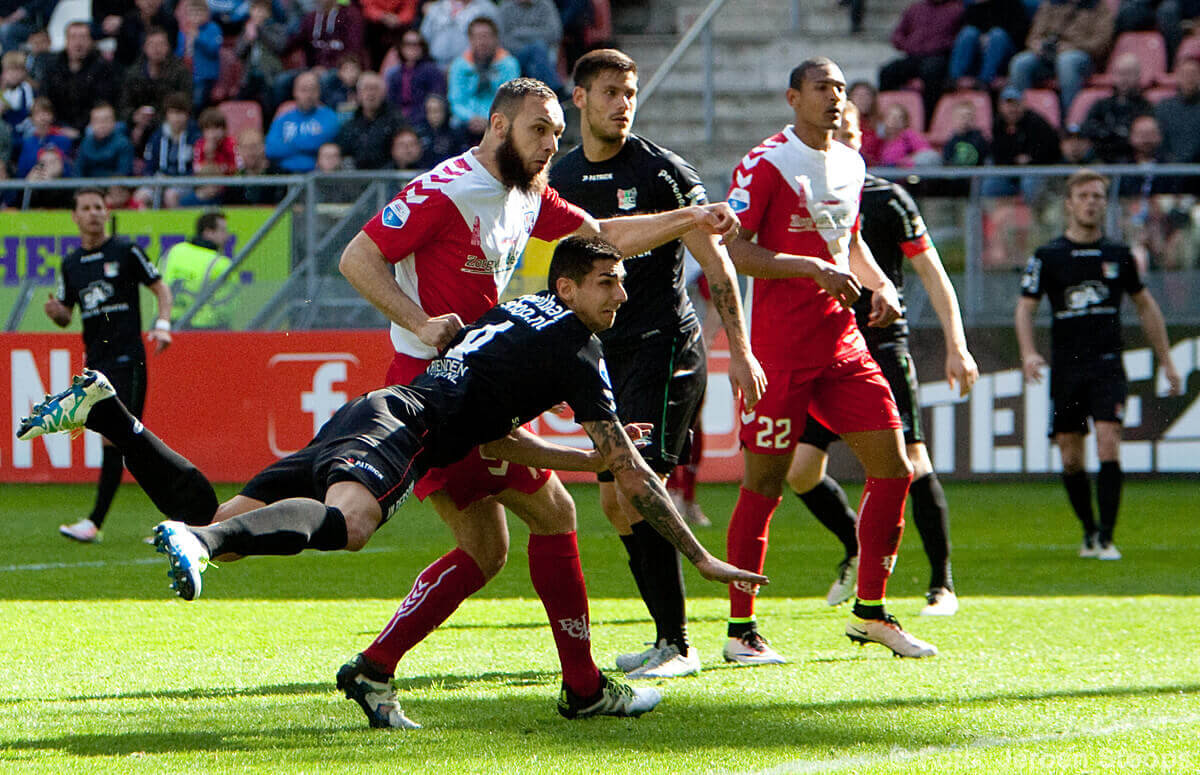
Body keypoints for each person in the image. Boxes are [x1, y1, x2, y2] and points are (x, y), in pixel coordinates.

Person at [18, 236, 767, 728]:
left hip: (379, 409)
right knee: (351, 522)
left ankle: (115, 419)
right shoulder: (577, 347)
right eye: (609, 283)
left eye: (622, 283)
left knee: (509, 525)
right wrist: (699, 558)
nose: (622, 296)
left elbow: (506, 431)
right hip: (402, 429)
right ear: (569, 286)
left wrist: (589, 458)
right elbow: (630, 466)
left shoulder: (526, 311)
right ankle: (575, 685)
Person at [337, 76, 747, 717]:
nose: (552, 143)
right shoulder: (449, 187)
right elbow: (357, 257)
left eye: (558, 132)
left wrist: (690, 219)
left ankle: (374, 666)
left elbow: (600, 238)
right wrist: (419, 321)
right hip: (436, 392)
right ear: (498, 126)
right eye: (539, 130)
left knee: (489, 548)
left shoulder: (527, 193)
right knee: (545, 520)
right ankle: (579, 688)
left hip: (472, 386)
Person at [549, 48, 766, 680]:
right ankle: (664, 637)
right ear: (581, 99)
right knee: (615, 503)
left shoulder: (664, 171)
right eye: (611, 91)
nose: (623, 102)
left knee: (640, 490)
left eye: (631, 92)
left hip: (664, 347)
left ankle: (678, 645)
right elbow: (590, 248)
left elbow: (716, 261)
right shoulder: (559, 176)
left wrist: (741, 349)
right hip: (605, 353)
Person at [722, 56, 937, 662]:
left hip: (843, 344)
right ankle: (741, 631)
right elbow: (734, 250)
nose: (835, 98)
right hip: (780, 352)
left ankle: (870, 612)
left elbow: (850, 239)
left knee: (894, 468)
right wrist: (807, 268)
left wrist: (879, 284)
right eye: (823, 88)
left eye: (841, 89)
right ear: (794, 98)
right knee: (764, 487)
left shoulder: (850, 161)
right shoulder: (766, 162)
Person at [787, 101, 979, 619]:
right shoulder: (801, 195)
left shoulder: (885, 198)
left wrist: (957, 345)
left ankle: (942, 584)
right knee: (800, 472)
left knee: (912, 463)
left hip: (879, 345)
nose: (840, 138)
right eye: (833, 130)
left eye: (848, 131)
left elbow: (933, 274)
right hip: (824, 347)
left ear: (860, 138)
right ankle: (856, 547)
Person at [1016, 170, 1183, 559]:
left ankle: (1106, 537)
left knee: (1109, 442)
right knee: (1071, 455)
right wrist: (1028, 353)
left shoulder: (1119, 255)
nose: (1092, 202)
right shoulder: (1048, 256)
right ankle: (1089, 531)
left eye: (1098, 196)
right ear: (1069, 204)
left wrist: (1167, 361)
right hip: (1067, 368)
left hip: (1107, 365)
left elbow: (1145, 306)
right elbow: (1025, 309)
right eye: (1084, 196)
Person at [40, 188, 173, 543]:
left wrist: (163, 324)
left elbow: (160, 288)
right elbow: (67, 314)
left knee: (125, 442)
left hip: (128, 359)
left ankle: (98, 523)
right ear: (75, 217)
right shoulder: (70, 265)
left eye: (99, 207)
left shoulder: (125, 251)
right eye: (85, 208)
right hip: (97, 365)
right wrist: (57, 314)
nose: (94, 213)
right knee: (125, 443)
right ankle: (173, 519)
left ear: (106, 211)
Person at [1006, 0, 1114, 122]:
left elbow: (1101, 43)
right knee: (1020, 63)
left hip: (1082, 57)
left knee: (1066, 61)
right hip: (1047, 56)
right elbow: (1033, 36)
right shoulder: (1051, 4)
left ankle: (1071, 121)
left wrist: (1072, 46)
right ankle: (1021, 118)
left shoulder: (1099, 7)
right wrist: (1037, 45)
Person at [877, 0, 963, 119]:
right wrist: (907, 44)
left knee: (931, 73)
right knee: (887, 71)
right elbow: (898, 33)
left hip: (938, 56)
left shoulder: (956, 10)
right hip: (914, 55)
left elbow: (960, 39)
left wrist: (938, 45)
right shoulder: (915, 9)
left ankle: (928, 118)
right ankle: (884, 114)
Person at [447, 16, 520, 145]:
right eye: (477, 37)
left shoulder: (509, 64)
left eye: (486, 36)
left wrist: (488, 119)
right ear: (470, 40)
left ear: (495, 38)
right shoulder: (459, 65)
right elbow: (456, 99)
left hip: (497, 121)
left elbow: (509, 100)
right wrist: (470, 118)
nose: (482, 42)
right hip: (467, 121)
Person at [158, 211, 236, 329]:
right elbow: (226, 306)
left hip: (166, 322)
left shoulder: (173, 251)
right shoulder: (221, 264)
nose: (227, 236)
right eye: (223, 231)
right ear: (208, 232)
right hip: (203, 329)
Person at [43, 21, 118, 133]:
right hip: (57, 125)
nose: (78, 43)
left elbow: (102, 102)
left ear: (91, 41)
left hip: (90, 125)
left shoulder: (102, 68)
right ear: (66, 41)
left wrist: (78, 129)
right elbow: (44, 98)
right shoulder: (53, 66)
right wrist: (58, 127)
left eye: (83, 37)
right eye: (73, 38)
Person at [1080, 53, 1154, 163]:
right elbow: (1087, 129)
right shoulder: (1101, 105)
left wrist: (1110, 133)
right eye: (1120, 73)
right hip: (1102, 159)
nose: (1124, 78)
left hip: (1132, 162)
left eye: (1129, 73)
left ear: (1138, 76)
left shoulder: (1146, 107)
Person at [265, 70, 340, 172]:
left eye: (313, 90)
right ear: (295, 92)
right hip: (284, 174)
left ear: (319, 92)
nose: (309, 95)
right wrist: (307, 147)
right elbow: (270, 149)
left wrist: (288, 144)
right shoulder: (283, 118)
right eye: (304, 90)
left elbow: (321, 141)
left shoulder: (329, 116)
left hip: (317, 175)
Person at [336, 71, 408, 170]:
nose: (370, 93)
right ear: (358, 94)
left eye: (375, 89)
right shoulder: (349, 126)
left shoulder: (396, 122)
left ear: (383, 93)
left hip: (389, 179)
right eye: (366, 89)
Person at [384, 28, 447, 126]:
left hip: (424, 122)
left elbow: (436, 100)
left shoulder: (432, 71)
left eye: (416, 44)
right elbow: (391, 103)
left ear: (422, 47)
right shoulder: (394, 74)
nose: (412, 48)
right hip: (398, 122)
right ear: (401, 47)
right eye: (408, 44)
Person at [76, 102, 135, 179]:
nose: (102, 125)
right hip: (88, 187)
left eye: (106, 120)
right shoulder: (85, 143)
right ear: (91, 124)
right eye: (97, 121)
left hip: (115, 186)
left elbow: (124, 173)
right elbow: (78, 172)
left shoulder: (124, 143)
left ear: (114, 122)